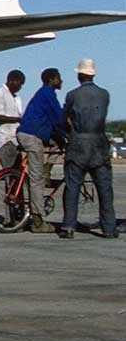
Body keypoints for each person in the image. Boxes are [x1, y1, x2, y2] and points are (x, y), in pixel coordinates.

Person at [59, 59, 116, 240]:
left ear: (79, 75)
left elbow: (65, 118)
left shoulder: (72, 95)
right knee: (105, 188)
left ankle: (69, 225)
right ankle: (108, 227)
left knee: (73, 186)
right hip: (99, 143)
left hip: (78, 143)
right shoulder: (104, 94)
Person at [16, 68, 65, 233]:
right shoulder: (48, 94)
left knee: (58, 144)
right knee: (36, 181)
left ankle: (47, 169)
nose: (61, 81)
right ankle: (38, 221)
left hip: (29, 133)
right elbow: (58, 118)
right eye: (59, 78)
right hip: (32, 136)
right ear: (51, 79)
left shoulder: (43, 93)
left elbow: (53, 122)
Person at [0, 69, 25, 168]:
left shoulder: (17, 98)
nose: (20, 87)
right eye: (19, 83)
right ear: (11, 80)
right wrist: (17, 119)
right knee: (10, 171)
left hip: (15, 140)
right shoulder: (0, 93)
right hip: (4, 139)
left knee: (17, 172)